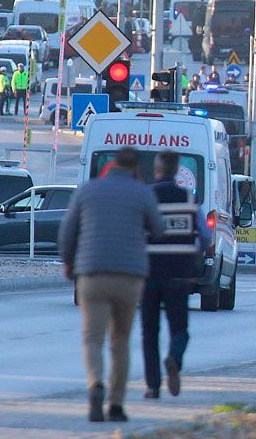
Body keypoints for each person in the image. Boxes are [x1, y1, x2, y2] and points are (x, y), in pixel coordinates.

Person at [60, 147, 163, 423]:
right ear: (136, 168)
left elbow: (68, 232)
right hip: (129, 276)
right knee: (120, 340)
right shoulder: (143, 193)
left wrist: (69, 263)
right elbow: (159, 229)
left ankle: (95, 384)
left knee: (92, 338)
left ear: (114, 164)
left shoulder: (88, 190)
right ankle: (116, 404)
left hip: (92, 273)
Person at [140, 151, 212, 399]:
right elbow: (205, 237)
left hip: (149, 273)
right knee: (179, 328)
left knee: (149, 331)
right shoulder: (188, 198)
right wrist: (190, 252)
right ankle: (174, 359)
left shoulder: (146, 197)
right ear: (175, 171)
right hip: (180, 274)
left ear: (157, 169)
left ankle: (152, 385)